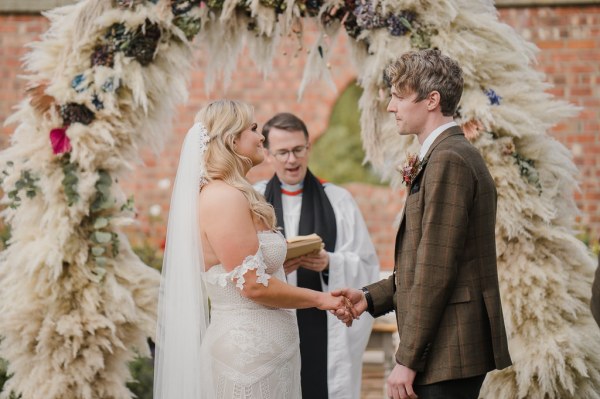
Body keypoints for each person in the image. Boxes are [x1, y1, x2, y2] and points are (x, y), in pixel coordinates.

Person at [334, 49, 512, 399]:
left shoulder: (449, 159)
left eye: (399, 96)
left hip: (449, 347)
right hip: (445, 345)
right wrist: (369, 298)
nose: (390, 107)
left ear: (432, 100)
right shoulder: (444, 155)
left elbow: (436, 268)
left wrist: (407, 360)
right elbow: (424, 264)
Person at [153, 100, 353, 399]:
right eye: (254, 128)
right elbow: (253, 286)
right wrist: (321, 299)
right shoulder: (223, 197)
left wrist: (280, 267)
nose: (261, 137)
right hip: (247, 361)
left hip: (269, 355)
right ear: (233, 139)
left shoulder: (234, 193)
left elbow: (238, 271)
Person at [254, 112, 380, 399]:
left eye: (298, 150)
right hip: (272, 325)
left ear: (309, 147)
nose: (291, 160)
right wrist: (277, 264)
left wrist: (329, 263)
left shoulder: (338, 199)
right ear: (268, 154)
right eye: (283, 152)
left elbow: (367, 266)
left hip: (323, 328)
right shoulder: (255, 199)